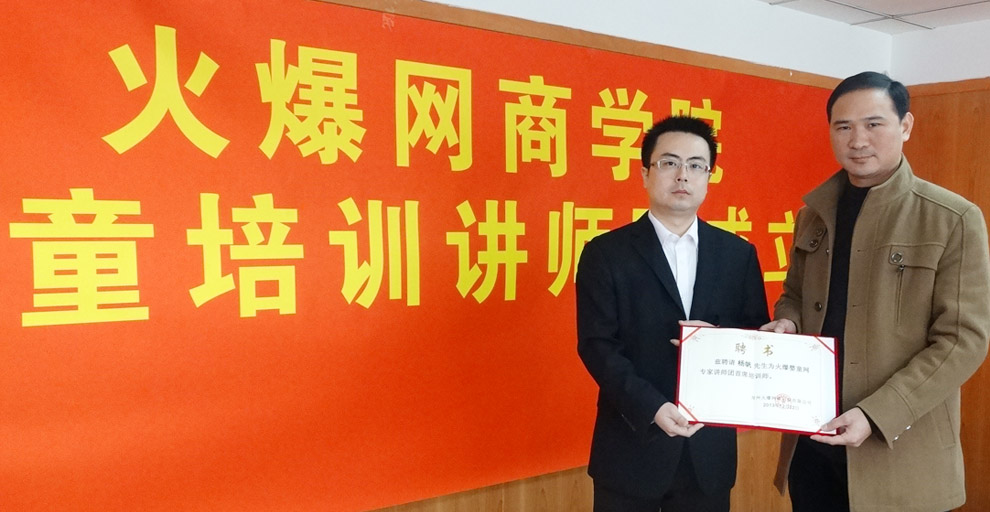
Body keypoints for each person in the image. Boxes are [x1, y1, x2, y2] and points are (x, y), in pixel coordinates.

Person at [762, 71, 990, 512]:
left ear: (905, 126)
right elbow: (793, 294)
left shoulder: (952, 218)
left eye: (873, 124)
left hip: (899, 452)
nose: (857, 140)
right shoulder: (813, 216)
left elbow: (963, 341)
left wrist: (877, 413)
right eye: (843, 127)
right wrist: (788, 321)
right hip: (813, 444)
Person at [576, 115, 770, 512]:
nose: (683, 175)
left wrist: (716, 340)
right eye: (669, 162)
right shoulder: (605, 253)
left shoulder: (738, 255)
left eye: (696, 165)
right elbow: (597, 346)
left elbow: (753, 336)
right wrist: (652, 407)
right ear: (645, 174)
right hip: (631, 446)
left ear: (709, 176)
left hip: (708, 453)